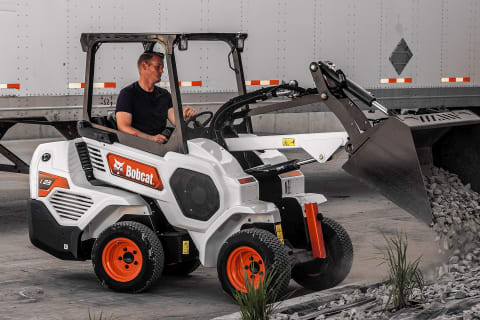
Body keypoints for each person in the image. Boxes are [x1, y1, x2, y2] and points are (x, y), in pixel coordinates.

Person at [116, 51, 196, 143]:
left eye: (162, 68)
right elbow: (123, 127)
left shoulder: (164, 95)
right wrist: (151, 138)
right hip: (139, 146)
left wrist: (185, 116)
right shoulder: (128, 94)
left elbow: (175, 120)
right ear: (144, 66)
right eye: (158, 67)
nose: (162, 71)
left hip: (160, 145)